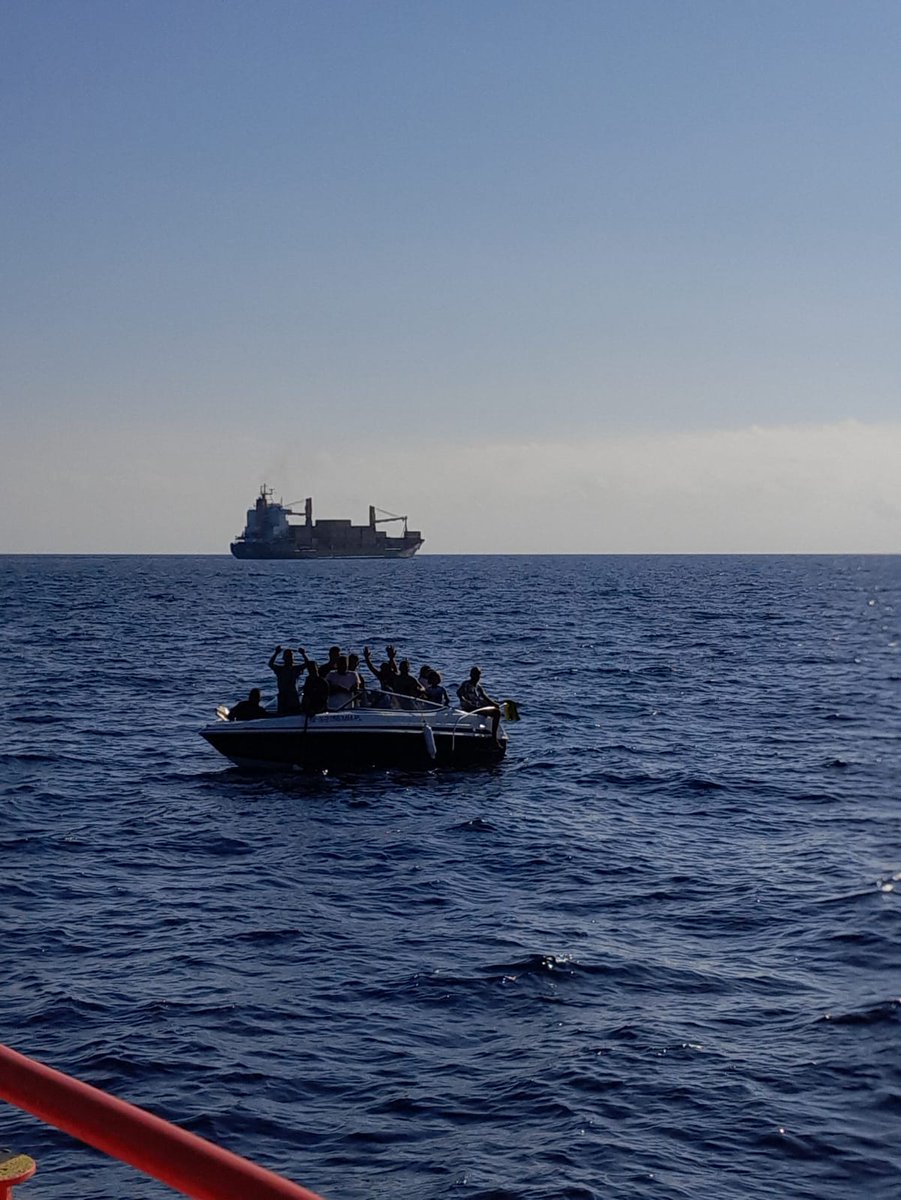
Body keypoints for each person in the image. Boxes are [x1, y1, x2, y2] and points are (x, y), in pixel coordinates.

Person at [456, 666, 501, 744]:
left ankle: (493, 733)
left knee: (496, 711)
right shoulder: (466, 684)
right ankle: (494, 738)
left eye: (478, 675)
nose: (477, 677)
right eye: (475, 674)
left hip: (478, 707)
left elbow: (484, 697)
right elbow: (459, 693)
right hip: (470, 708)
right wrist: (464, 700)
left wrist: (494, 704)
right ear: (471, 675)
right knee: (496, 713)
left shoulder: (478, 686)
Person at [268, 645, 302, 715]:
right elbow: (270, 664)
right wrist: (276, 653)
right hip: (283, 697)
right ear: (284, 658)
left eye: (291, 656)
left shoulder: (296, 669)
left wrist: (303, 654)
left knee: (295, 713)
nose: (289, 658)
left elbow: (308, 664)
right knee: (282, 714)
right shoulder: (280, 669)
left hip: (293, 697)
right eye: (288, 656)